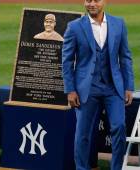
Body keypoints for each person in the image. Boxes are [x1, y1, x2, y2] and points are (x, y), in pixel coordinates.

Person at [62, 0, 134, 169]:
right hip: (86, 89)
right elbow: (67, 62)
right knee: (83, 134)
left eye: (96, 0)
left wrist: (129, 86)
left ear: (104, 2)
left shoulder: (119, 24)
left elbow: (125, 57)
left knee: (119, 127)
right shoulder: (74, 27)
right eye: (88, 0)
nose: (91, 4)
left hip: (113, 87)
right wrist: (70, 90)